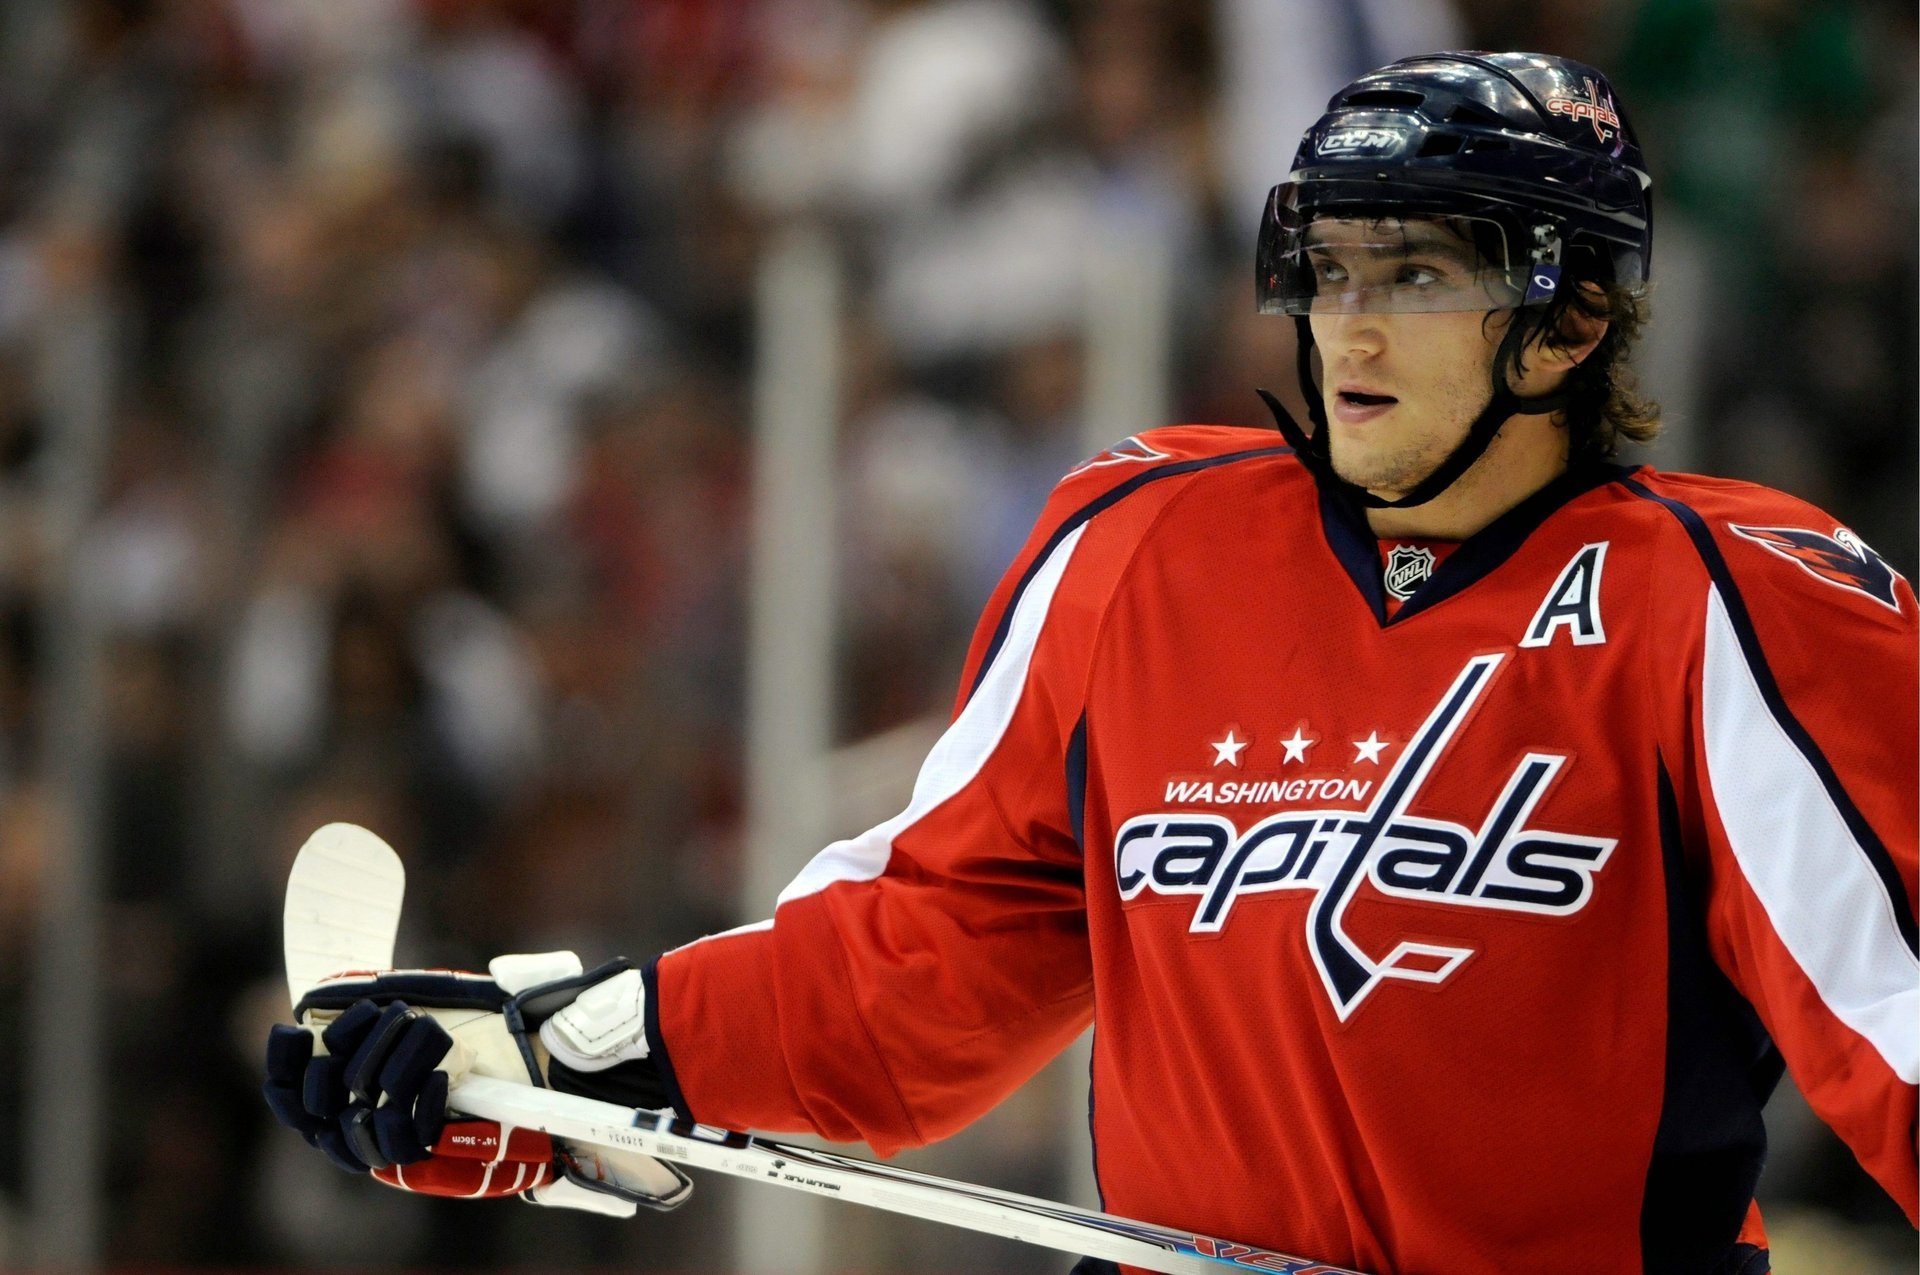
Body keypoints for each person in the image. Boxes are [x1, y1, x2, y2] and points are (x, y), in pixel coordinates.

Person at [264, 52, 1917, 1274]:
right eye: (1327, 268)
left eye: (1416, 275)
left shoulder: (1728, 600)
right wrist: (568, 1054)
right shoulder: (1140, 546)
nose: (1345, 328)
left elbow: (1900, 1023)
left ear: (1568, 326)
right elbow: (927, 963)